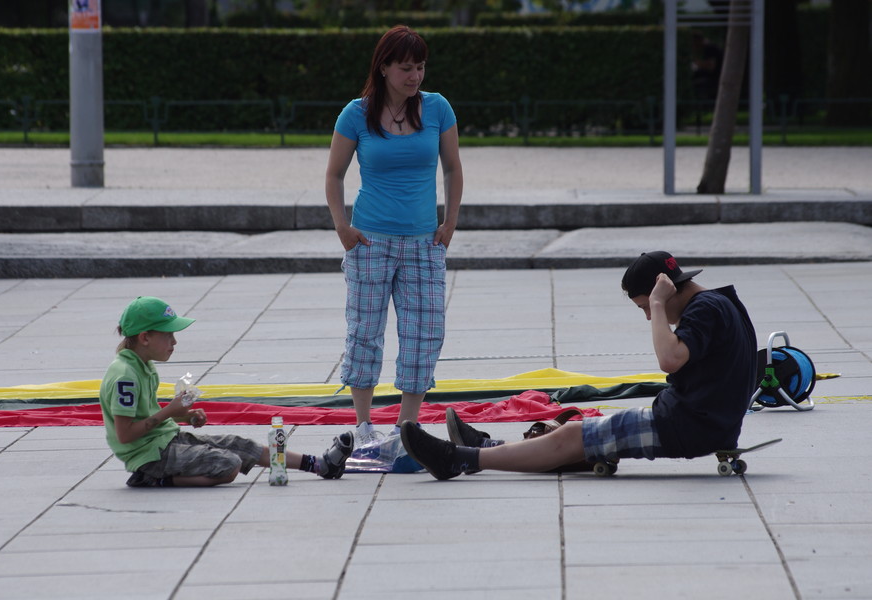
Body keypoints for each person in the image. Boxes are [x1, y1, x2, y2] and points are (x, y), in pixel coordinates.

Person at [400, 251, 757, 480]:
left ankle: (458, 459)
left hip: (689, 427)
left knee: (572, 437)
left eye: (644, 307)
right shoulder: (719, 303)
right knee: (575, 434)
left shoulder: (704, 309)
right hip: (701, 421)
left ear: (665, 290)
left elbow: (669, 359)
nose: (650, 316)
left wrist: (659, 306)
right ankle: (489, 446)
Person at [325, 25, 463, 447]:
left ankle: (407, 428)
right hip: (370, 242)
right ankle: (364, 425)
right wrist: (342, 227)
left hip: (424, 243)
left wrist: (450, 223)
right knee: (364, 331)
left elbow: (453, 168)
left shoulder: (438, 108)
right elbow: (334, 174)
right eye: (406, 67)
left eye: (420, 66)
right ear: (383, 67)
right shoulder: (356, 114)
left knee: (425, 332)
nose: (415, 75)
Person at [100, 296, 354, 487]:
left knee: (240, 445)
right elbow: (125, 435)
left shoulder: (142, 365)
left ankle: (320, 465)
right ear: (145, 337)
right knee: (227, 465)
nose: (174, 342)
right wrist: (169, 411)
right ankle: (151, 479)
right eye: (168, 335)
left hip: (164, 441)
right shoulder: (125, 376)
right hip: (149, 456)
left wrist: (183, 416)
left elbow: (146, 416)